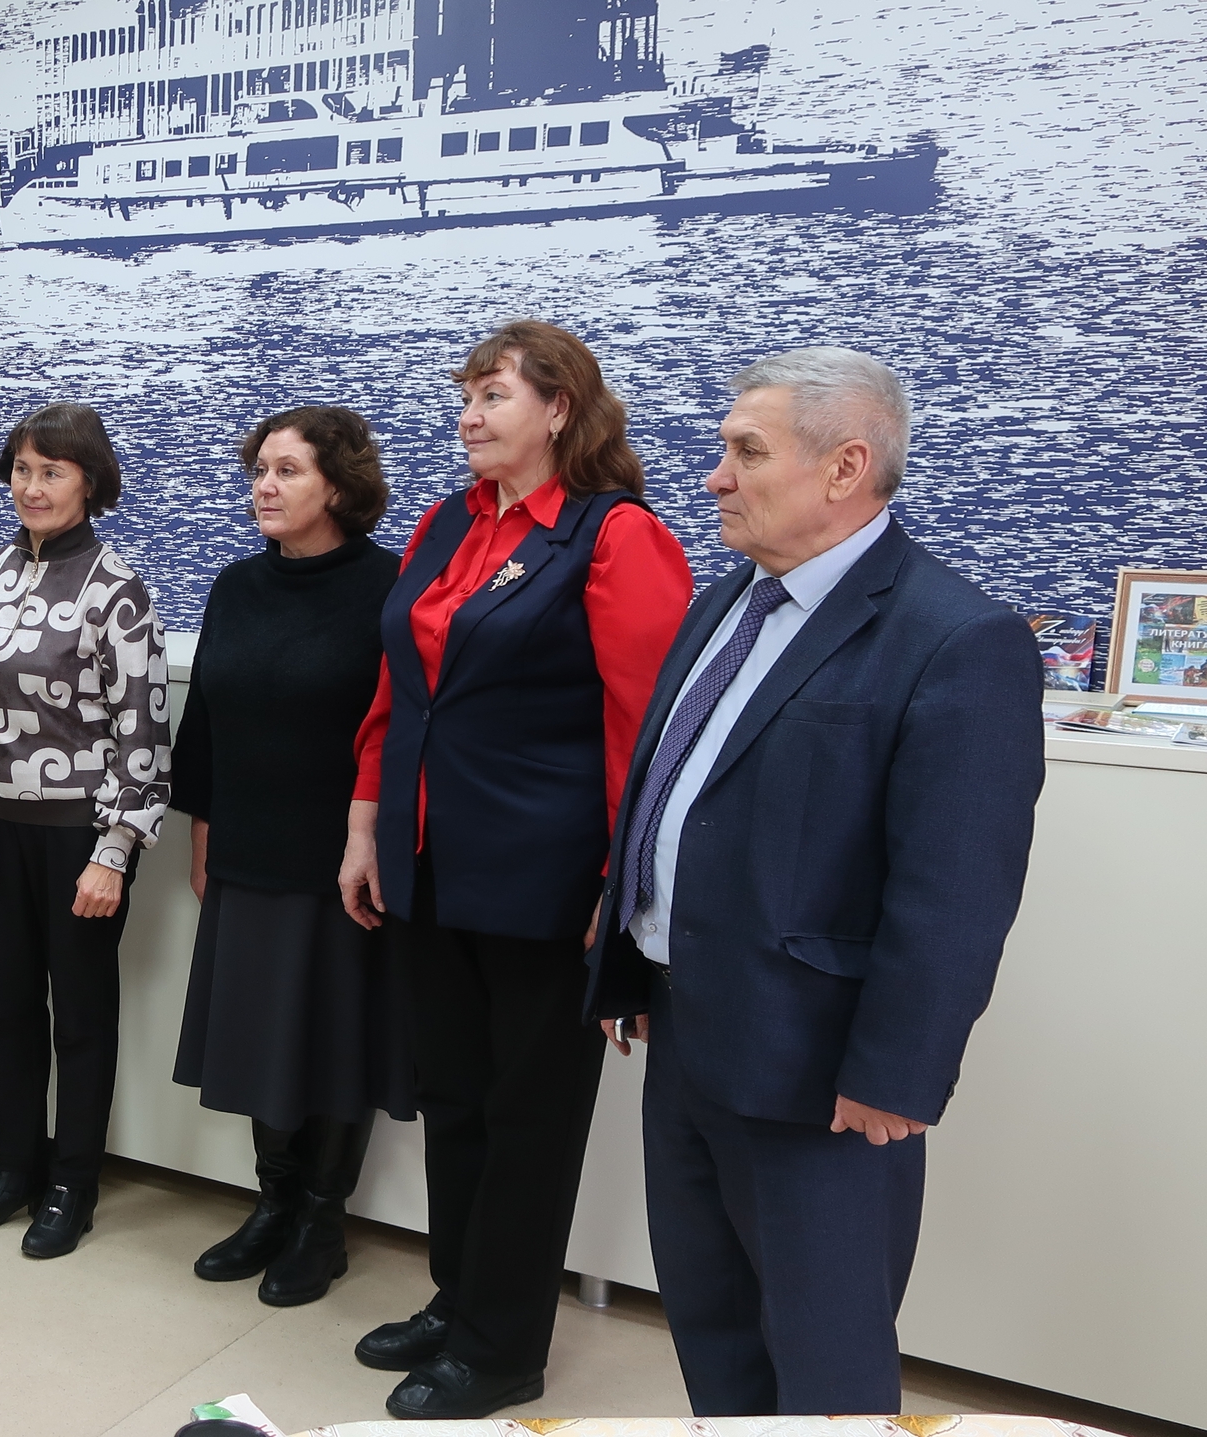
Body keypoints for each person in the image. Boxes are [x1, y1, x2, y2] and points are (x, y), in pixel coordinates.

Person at [585, 349, 1042, 1416]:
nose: (714, 477)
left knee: (826, 1355)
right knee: (709, 1322)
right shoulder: (728, 602)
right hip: (686, 1034)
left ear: (845, 468)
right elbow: (679, 791)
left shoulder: (955, 638)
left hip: (821, 1074)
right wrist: (635, 959)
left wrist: (897, 1073)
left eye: (746, 452)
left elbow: (955, 890)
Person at [340, 320, 694, 1419]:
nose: (470, 415)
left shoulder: (617, 534)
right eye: (467, 395)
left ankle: (503, 1346)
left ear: (559, 409)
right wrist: (364, 825)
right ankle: (460, 1298)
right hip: (427, 860)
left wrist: (624, 887)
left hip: (547, 876)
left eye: (493, 395)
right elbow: (397, 691)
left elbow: (648, 733)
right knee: (452, 1097)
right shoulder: (448, 521)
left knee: (527, 1114)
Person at [170, 406, 413, 1308]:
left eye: (287, 471)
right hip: (247, 848)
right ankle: (273, 1201)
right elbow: (205, 721)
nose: (264, 487)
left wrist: (374, 845)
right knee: (257, 1037)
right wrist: (203, 832)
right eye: (259, 471)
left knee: (334, 1044)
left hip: (342, 862)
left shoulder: (393, 588)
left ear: (340, 486)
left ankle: (321, 1219)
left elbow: (401, 732)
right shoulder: (237, 585)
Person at [0, 401, 170, 1260]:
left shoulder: (116, 589)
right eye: (23, 470)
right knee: (6, 1005)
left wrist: (115, 853)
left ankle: (73, 1184)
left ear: (89, 483)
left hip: (81, 838)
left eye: (52, 472)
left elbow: (144, 737)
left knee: (82, 1016)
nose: (33, 487)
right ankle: (14, 1167)